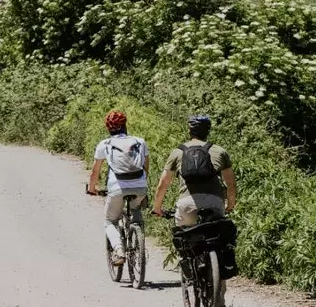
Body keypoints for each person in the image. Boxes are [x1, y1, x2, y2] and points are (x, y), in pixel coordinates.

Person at [86, 110, 150, 266]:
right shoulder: (140, 142)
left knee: (110, 221)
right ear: (125, 126)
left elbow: (96, 171)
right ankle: (138, 235)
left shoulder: (105, 144)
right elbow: (146, 167)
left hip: (117, 188)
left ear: (108, 129)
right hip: (140, 186)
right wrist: (141, 184)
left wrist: (92, 188)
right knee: (136, 210)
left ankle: (120, 252)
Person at [150, 114, 236, 226]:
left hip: (187, 205)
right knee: (219, 235)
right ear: (207, 131)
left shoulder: (178, 152)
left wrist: (157, 208)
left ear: (190, 131)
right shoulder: (220, 151)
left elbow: (163, 184)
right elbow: (231, 184)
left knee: (182, 235)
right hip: (214, 204)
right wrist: (230, 205)